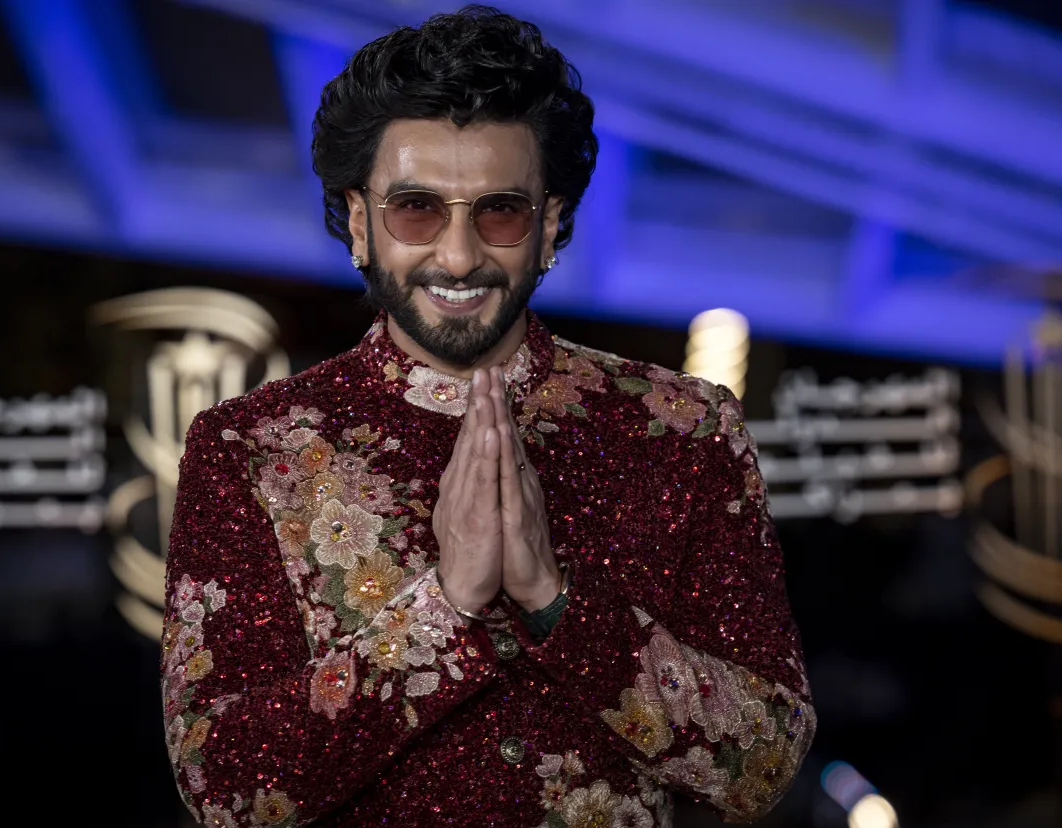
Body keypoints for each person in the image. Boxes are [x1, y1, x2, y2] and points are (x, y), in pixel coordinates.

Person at [160, 6, 814, 826]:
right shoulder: (250, 449)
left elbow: (766, 763)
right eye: (417, 210)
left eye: (499, 211)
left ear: (552, 224)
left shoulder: (682, 430)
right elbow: (225, 788)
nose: (460, 255)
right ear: (360, 224)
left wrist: (556, 603)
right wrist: (446, 607)